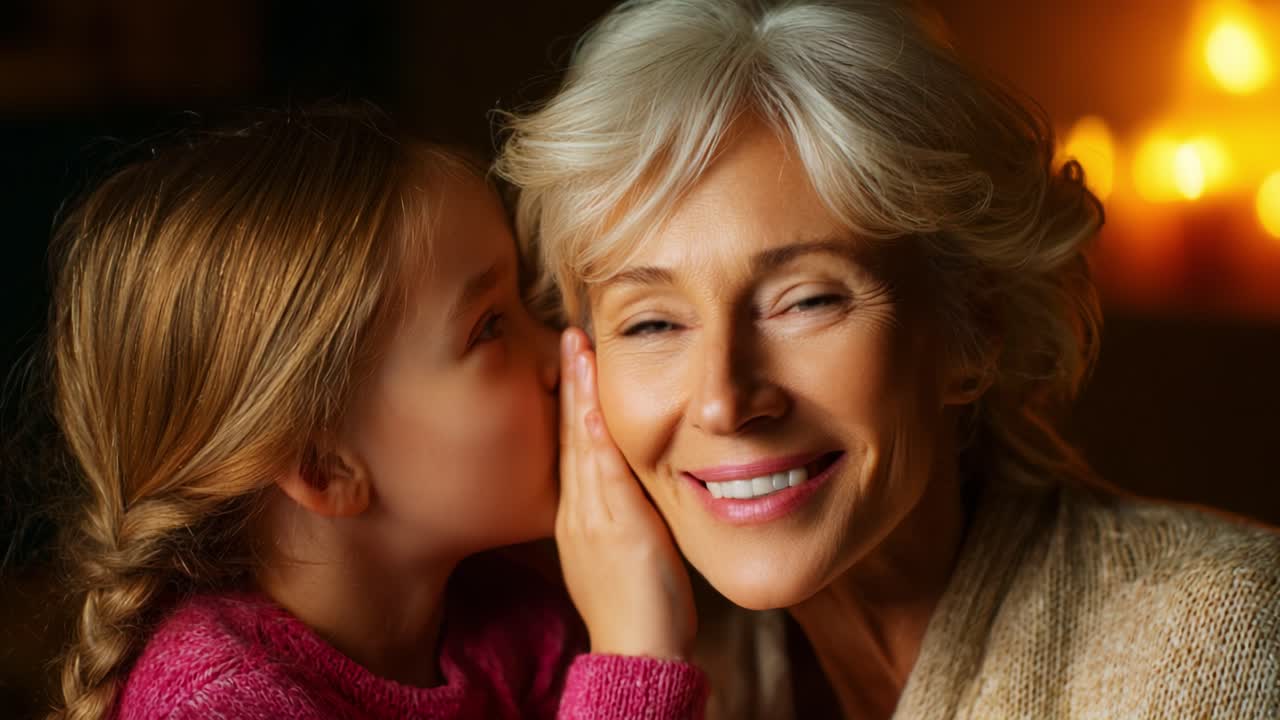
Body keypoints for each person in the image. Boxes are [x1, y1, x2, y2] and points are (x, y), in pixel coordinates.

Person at [497, 1, 1280, 717]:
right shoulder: (625, 669)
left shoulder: (1214, 636)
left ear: (973, 323)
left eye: (807, 301)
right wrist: (638, 671)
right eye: (652, 325)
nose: (723, 401)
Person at [46, 104, 706, 720]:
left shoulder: (521, 624)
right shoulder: (217, 705)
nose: (568, 352)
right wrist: (636, 660)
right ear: (324, 467)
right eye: (490, 327)